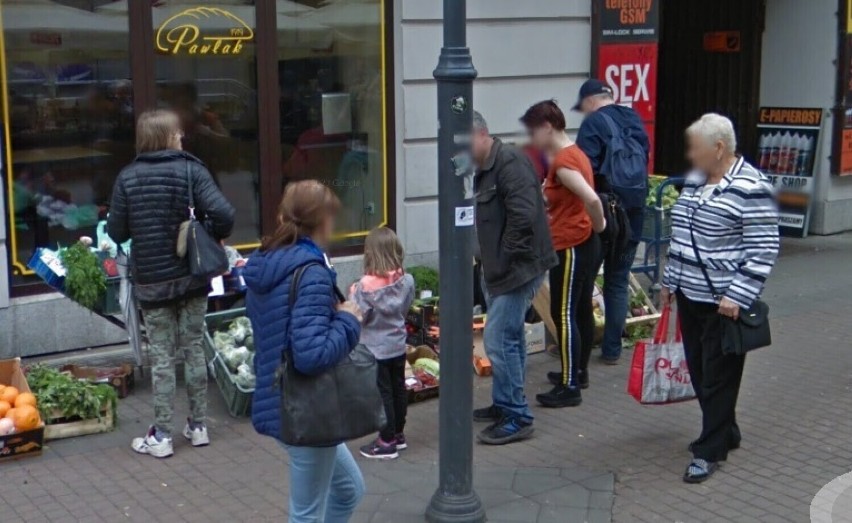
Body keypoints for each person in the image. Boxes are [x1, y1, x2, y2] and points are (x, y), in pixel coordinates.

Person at [108, 109, 235, 458]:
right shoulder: (192, 170)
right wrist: (211, 234)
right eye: (177, 133)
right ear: (166, 136)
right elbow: (225, 214)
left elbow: (117, 231)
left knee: (162, 358)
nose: (182, 138)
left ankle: (162, 436)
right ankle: (198, 427)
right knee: (194, 348)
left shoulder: (127, 177)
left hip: (152, 282)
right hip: (192, 277)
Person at [660, 114, 779, 483]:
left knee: (719, 376)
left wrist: (737, 294)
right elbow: (681, 236)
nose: (690, 155)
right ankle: (726, 428)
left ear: (719, 148)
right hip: (689, 295)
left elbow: (763, 248)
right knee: (699, 370)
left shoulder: (752, 186)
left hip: (723, 302)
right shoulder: (697, 181)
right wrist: (668, 282)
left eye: (695, 148)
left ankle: (710, 449)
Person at [244, 181, 366, 521]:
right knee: (307, 514)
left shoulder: (266, 263)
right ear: (323, 222)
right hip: (308, 408)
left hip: (281, 401)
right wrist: (349, 321)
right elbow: (311, 354)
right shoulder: (311, 272)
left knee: (349, 490)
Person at [471, 111, 558, 444]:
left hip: (517, 269)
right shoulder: (485, 168)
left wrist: (503, 258)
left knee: (498, 340)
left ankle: (518, 415)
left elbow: (523, 218)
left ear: (480, 135)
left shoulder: (510, 164)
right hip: (499, 269)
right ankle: (505, 403)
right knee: (511, 338)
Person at [521, 101, 606, 407]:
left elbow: (591, 199)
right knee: (580, 307)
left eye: (534, 131)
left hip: (572, 244)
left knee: (563, 312)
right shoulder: (575, 153)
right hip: (581, 242)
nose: (533, 139)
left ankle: (570, 386)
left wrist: (600, 225)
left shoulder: (564, 162)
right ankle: (578, 371)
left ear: (547, 127)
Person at [574, 79, 651, 365]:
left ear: (590, 100)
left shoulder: (593, 124)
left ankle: (577, 347)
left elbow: (583, 170)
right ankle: (612, 351)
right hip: (634, 210)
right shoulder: (632, 117)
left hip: (605, 213)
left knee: (583, 281)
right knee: (617, 280)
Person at [350, 227, 416, 460]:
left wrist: (352, 296)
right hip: (397, 343)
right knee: (399, 388)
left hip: (374, 348)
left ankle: (386, 441)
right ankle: (398, 434)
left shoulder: (365, 287)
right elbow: (406, 307)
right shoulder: (406, 280)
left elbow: (360, 316)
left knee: (382, 394)